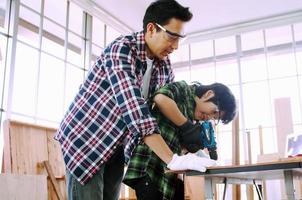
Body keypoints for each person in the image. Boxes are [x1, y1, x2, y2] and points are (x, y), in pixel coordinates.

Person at [54, 1, 216, 200]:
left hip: (117, 146)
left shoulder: (164, 67)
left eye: (180, 38)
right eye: (172, 36)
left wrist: (190, 142)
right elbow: (136, 112)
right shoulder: (121, 50)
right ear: (151, 29)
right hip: (86, 140)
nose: (175, 46)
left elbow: (160, 115)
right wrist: (172, 160)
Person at [123, 80, 237, 200]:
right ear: (208, 94)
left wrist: (187, 148)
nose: (209, 118)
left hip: (169, 174)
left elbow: (175, 144)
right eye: (214, 112)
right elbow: (160, 98)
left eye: (214, 118)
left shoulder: (195, 119)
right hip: (150, 166)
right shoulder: (184, 89)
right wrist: (186, 127)